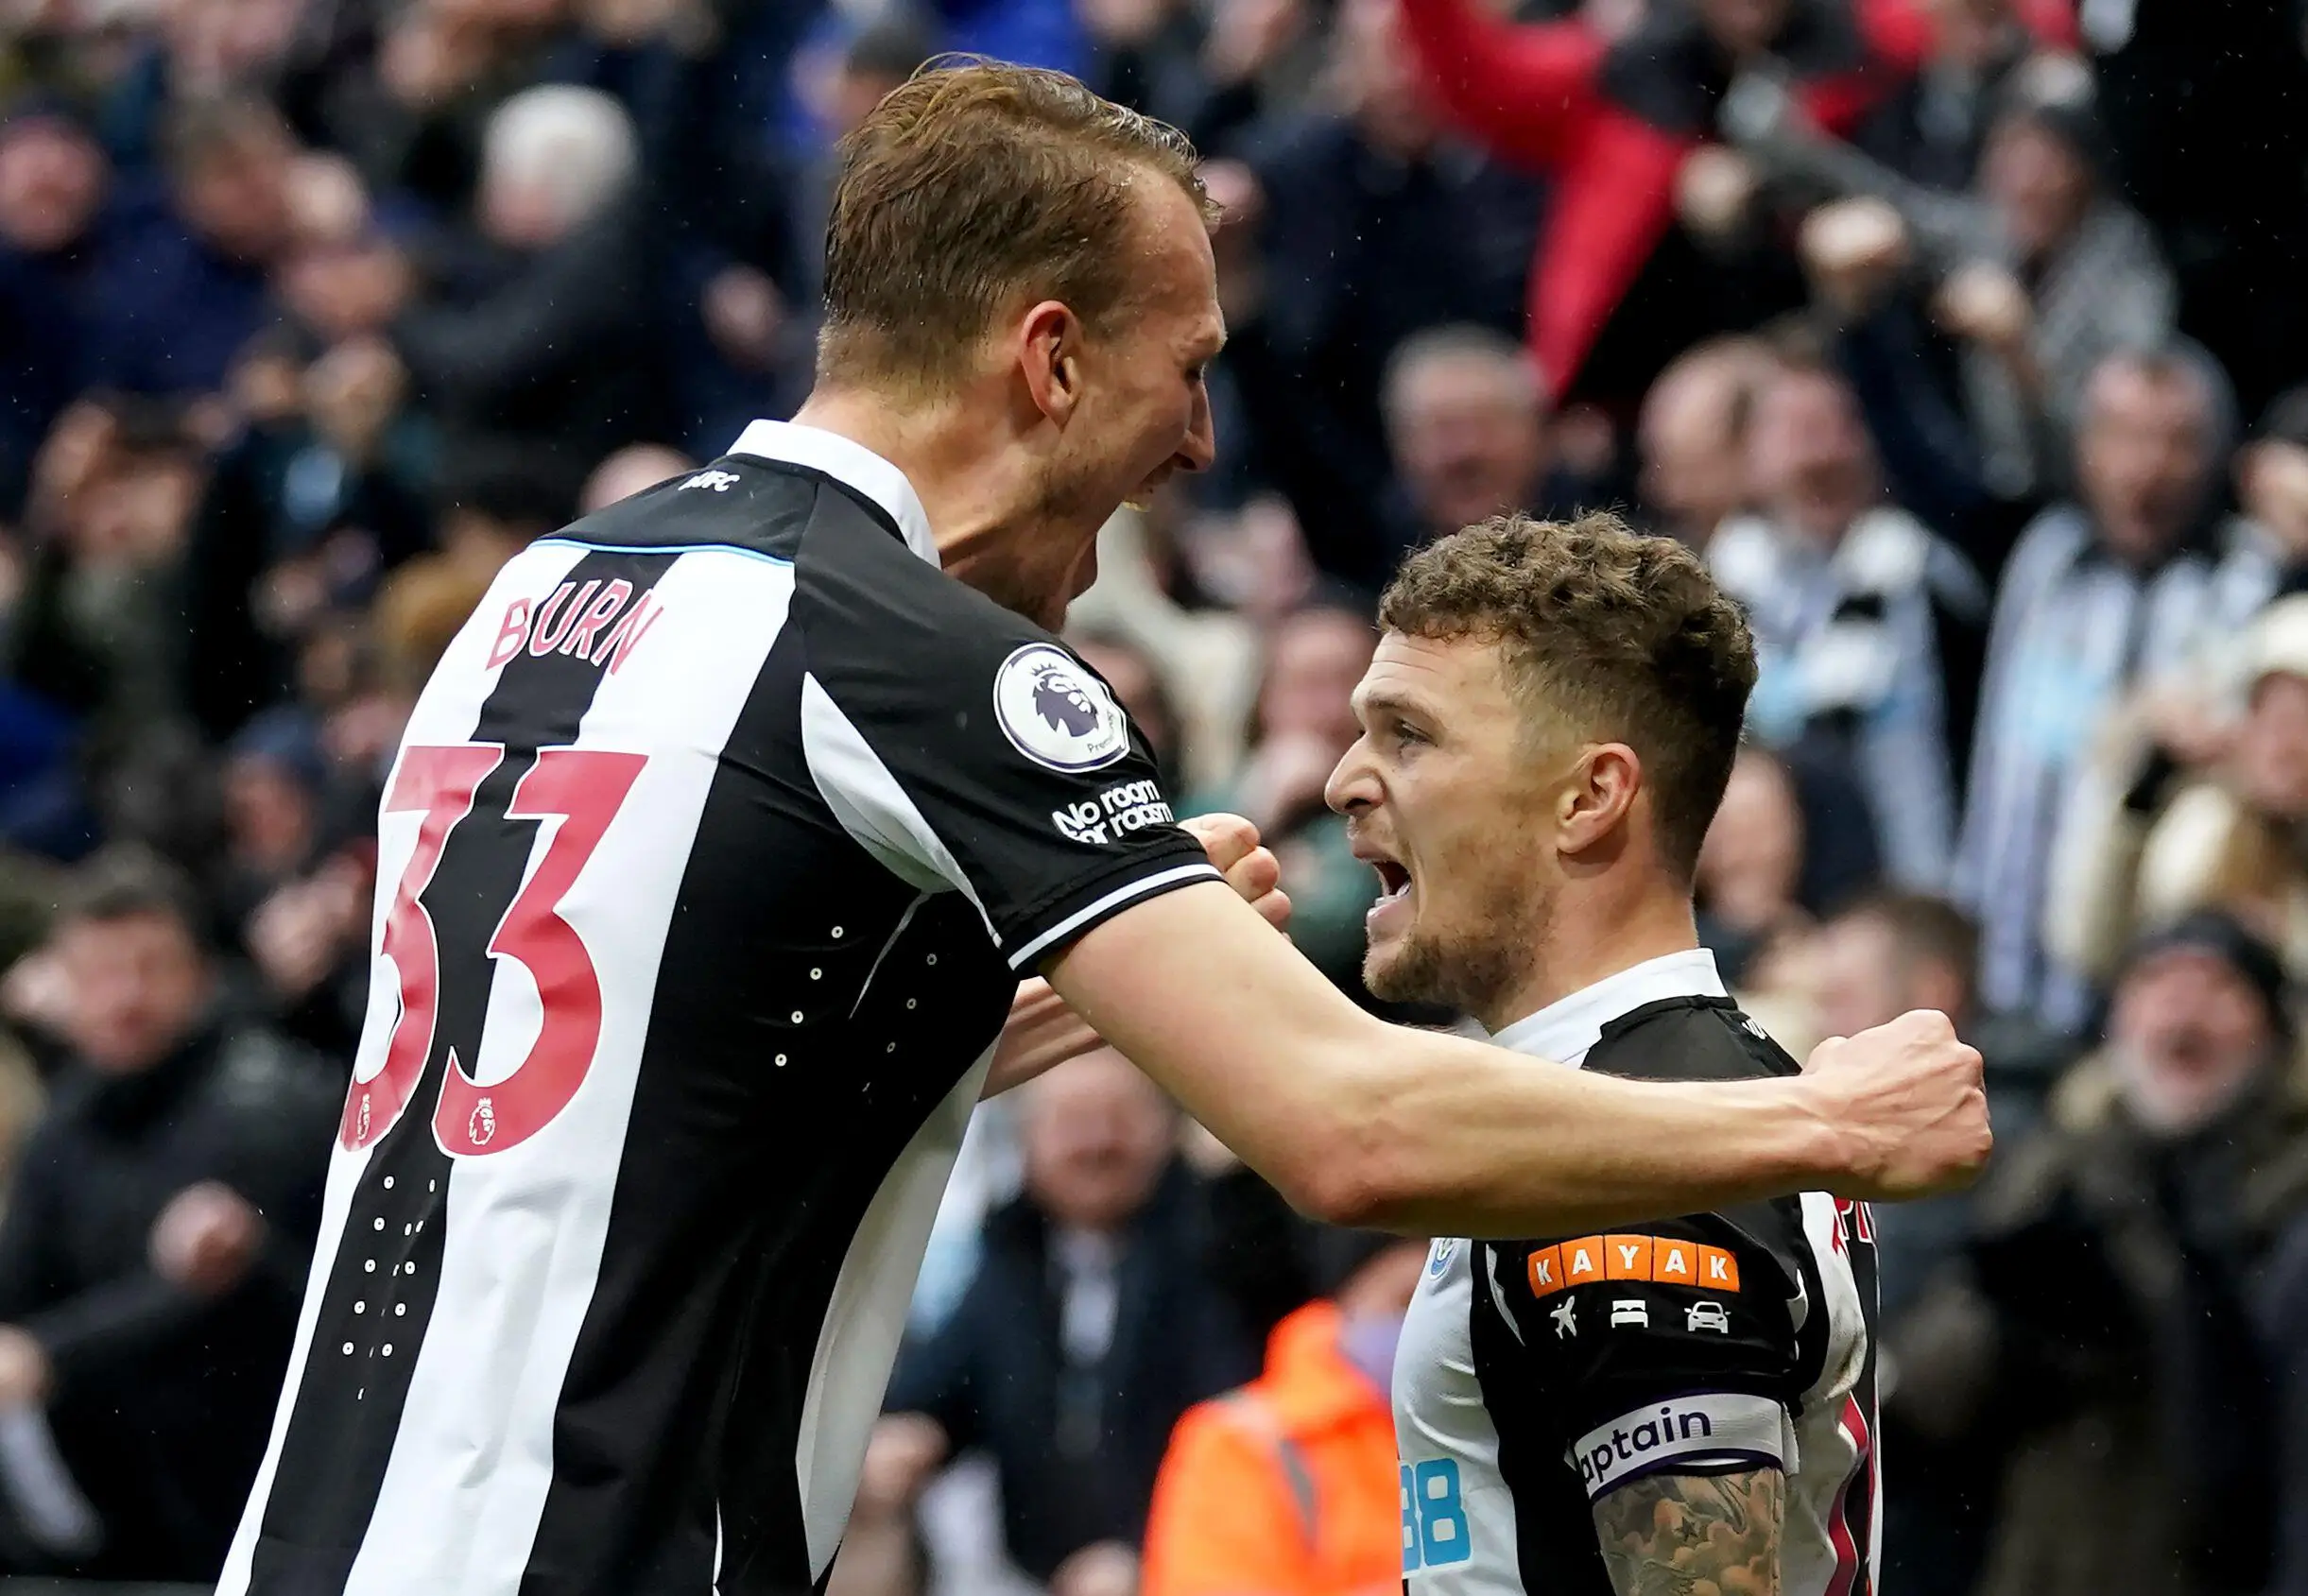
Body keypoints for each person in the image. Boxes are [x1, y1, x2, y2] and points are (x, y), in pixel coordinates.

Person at [220, 62, 1987, 1596]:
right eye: (1188, 365)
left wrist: (1064, 1000)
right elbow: (1348, 1128)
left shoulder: (553, 589)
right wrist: (1830, 1114)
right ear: (1048, 362)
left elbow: (647, 1076)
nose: (1203, 439)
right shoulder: (924, 658)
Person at [1334, 512, 1881, 1596]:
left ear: (1589, 798)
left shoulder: (1647, 1145)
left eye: (1408, 735)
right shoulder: (1644, 1100)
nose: (1345, 778)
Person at [0, 848, 336, 1581]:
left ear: (202, 973)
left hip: (262, 1493)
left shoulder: (269, 1099)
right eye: (97, 974)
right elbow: (18, 1294)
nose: (124, 997)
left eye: (151, 967)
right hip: (119, 1504)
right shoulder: (70, 1115)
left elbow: (200, 1298)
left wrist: (48, 1356)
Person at [866, 1049, 1258, 1590]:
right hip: (1033, 1568)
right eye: (1071, 1123)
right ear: (1026, 1141)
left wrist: (1142, 1550)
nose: (1097, 1144)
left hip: (1196, 1557)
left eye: (1120, 1119)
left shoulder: (1223, 1252)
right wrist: (909, 1433)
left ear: (1169, 1132)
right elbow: (949, 1380)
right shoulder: (1013, 1253)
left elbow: (1235, 1413)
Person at [1140, 1231, 1426, 1596]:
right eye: (1406, 1301)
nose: (1426, 1323)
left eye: (1444, 1306)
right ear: (1344, 1303)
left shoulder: (1497, 1427)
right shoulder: (1240, 1442)